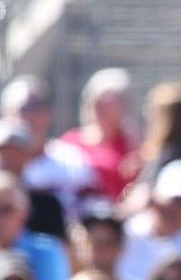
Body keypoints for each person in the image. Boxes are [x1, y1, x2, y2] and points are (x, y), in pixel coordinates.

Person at [0, 75, 94, 221]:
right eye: (22, 109)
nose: (28, 116)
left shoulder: (72, 160)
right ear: (4, 113)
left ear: (49, 113)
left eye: (36, 107)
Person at [60, 68, 141, 202]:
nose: (101, 107)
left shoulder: (133, 147)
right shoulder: (70, 142)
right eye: (96, 101)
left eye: (108, 103)